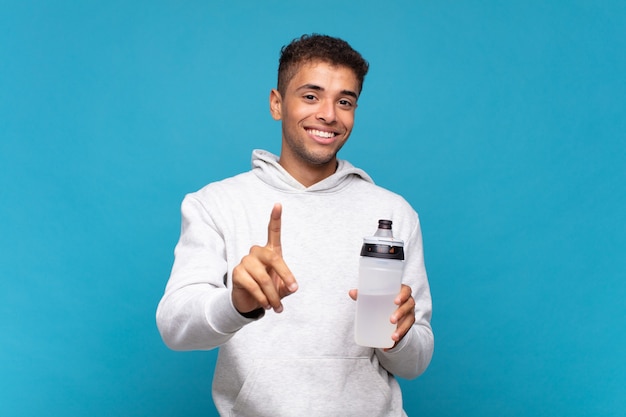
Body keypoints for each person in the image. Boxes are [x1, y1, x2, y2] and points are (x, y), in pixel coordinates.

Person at [156, 33, 434, 417]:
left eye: (345, 101)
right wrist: (236, 303)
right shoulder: (215, 204)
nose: (328, 114)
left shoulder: (393, 213)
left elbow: (415, 362)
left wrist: (399, 337)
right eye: (310, 96)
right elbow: (175, 326)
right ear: (276, 103)